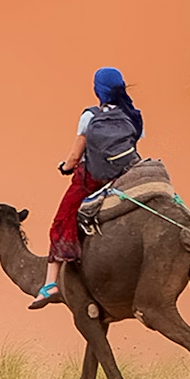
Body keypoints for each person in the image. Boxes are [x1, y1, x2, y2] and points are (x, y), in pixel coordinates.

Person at [35, 67, 147, 309]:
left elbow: (75, 156)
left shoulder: (90, 116)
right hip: (125, 176)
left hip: (93, 179)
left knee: (60, 222)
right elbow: (132, 143)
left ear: (98, 90)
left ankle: (50, 284)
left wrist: (65, 167)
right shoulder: (133, 115)